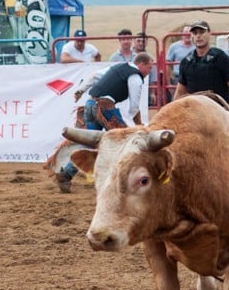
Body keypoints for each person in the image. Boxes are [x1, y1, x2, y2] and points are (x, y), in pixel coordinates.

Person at [54, 52, 154, 193]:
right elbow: (134, 106)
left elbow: (94, 76)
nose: (150, 72)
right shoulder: (135, 77)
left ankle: (66, 174)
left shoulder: (117, 67)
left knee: (89, 143)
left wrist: (80, 91)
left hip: (89, 104)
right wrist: (137, 123)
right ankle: (124, 179)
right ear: (141, 64)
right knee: (123, 142)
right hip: (105, 107)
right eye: (149, 68)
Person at [173, 20, 229, 112]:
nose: (198, 36)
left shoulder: (220, 58)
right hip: (195, 114)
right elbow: (180, 93)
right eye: (195, 33)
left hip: (219, 113)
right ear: (191, 36)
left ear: (209, 34)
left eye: (202, 32)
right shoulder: (186, 62)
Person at [165, 25, 195, 99]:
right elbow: (168, 65)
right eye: (185, 32)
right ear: (181, 34)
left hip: (194, 77)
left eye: (189, 32)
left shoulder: (197, 46)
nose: (187, 35)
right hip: (178, 78)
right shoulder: (174, 46)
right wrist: (169, 84)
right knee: (178, 101)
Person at [133, 32, 159, 106]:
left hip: (144, 90)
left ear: (147, 43)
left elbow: (153, 77)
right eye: (138, 41)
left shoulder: (151, 58)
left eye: (143, 41)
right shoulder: (129, 55)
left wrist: (152, 93)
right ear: (134, 41)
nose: (141, 43)